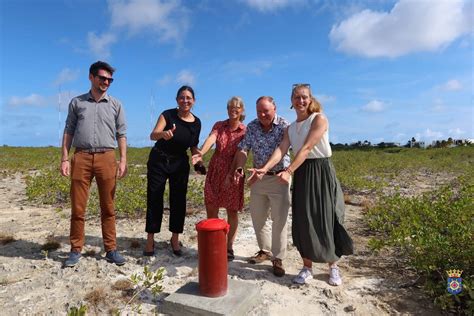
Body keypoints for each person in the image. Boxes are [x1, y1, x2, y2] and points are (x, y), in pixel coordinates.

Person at [251, 84, 353, 286]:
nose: (300, 101)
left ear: (310, 98)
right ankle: (307, 267)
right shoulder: (291, 128)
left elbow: (306, 148)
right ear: (291, 100)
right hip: (302, 173)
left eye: (304, 97)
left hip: (320, 170)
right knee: (302, 220)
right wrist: (264, 168)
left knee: (324, 217)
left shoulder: (319, 119)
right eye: (297, 97)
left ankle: (333, 267)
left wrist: (288, 171)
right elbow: (281, 150)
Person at [60, 61, 127, 267]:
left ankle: (111, 249)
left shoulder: (116, 104)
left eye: (109, 79)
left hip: (107, 157)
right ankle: (75, 249)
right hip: (81, 157)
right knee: (78, 208)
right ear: (91, 77)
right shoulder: (77, 103)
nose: (106, 82)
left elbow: (121, 134)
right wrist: (64, 158)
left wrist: (123, 159)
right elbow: (68, 130)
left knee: (108, 207)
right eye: (102, 78)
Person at [233, 96, 291, 277]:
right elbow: (244, 149)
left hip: (279, 178)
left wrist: (289, 171)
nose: (263, 114)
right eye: (259, 111)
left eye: (266, 110)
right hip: (257, 178)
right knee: (258, 218)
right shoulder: (252, 126)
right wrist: (240, 167)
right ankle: (265, 251)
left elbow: (285, 150)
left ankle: (278, 258)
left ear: (275, 108)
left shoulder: (284, 126)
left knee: (279, 220)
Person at [144, 86, 202, 257]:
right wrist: (163, 134)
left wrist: (198, 160)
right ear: (177, 100)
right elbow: (153, 135)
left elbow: (193, 146)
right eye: (182, 97)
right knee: (154, 197)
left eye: (189, 98)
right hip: (159, 160)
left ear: (194, 101)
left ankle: (175, 238)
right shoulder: (168, 115)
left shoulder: (197, 122)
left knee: (179, 200)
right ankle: (150, 238)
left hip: (180, 163)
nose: (185, 100)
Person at [192, 96, 246, 261]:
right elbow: (211, 139)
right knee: (211, 205)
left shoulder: (245, 130)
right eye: (230, 107)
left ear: (242, 111)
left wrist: (233, 172)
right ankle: (215, 240)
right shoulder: (219, 125)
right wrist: (201, 152)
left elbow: (242, 153)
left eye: (237, 107)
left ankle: (228, 245)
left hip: (234, 168)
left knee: (232, 210)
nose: (233, 110)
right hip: (216, 168)